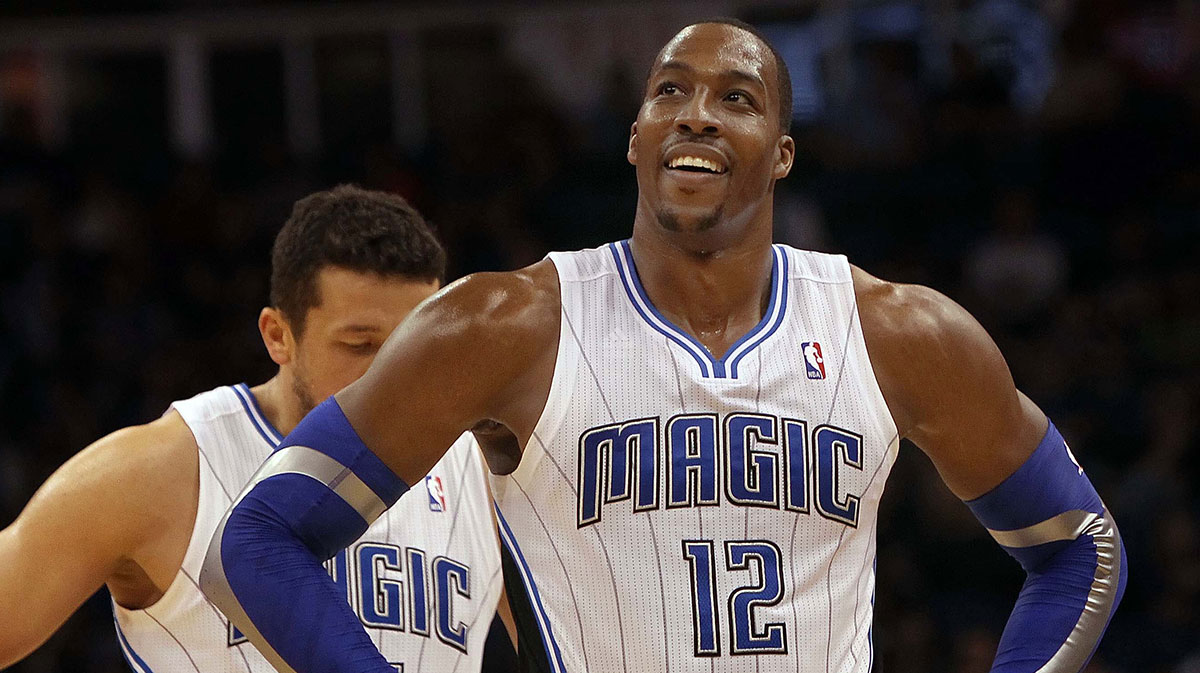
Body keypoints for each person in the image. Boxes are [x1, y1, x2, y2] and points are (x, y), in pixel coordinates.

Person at [203, 20, 1127, 673]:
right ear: (637, 137)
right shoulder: (504, 326)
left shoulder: (897, 332)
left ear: (783, 152)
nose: (697, 112)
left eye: (737, 96)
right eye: (670, 92)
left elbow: (1080, 546)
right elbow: (256, 538)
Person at [0, 185, 513, 673]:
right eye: (360, 345)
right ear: (278, 335)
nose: (392, 377)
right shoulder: (159, 470)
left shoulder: (486, 473)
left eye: (414, 347)